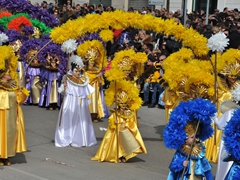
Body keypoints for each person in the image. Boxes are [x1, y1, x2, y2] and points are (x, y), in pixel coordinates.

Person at [91, 80, 147, 163]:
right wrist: (115, 123)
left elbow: (132, 123)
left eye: (125, 104)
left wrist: (126, 125)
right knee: (117, 143)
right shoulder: (115, 113)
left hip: (125, 131)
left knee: (125, 143)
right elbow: (111, 121)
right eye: (121, 104)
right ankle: (117, 155)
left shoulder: (129, 112)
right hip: (116, 132)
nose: (123, 106)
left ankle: (125, 155)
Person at [164, 98, 215, 180]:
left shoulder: (199, 152)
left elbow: (206, 167)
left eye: (196, 137)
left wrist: (209, 177)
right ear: (185, 139)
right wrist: (181, 164)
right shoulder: (181, 151)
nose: (195, 139)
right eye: (192, 137)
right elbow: (173, 167)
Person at [55, 55, 97, 147]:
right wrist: (64, 86)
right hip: (70, 104)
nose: (77, 73)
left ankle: (79, 139)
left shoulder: (83, 80)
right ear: (71, 69)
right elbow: (62, 92)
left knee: (80, 120)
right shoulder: (67, 78)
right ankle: (66, 136)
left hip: (80, 105)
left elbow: (85, 93)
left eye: (79, 71)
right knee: (69, 118)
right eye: (75, 71)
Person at [0, 45, 29, 166]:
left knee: (11, 133)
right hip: (1, 118)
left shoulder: (13, 85)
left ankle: (7, 156)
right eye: (7, 72)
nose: (10, 74)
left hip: (11, 118)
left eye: (9, 71)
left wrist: (21, 88)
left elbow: (20, 99)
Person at [214, 85, 240, 180]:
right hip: (232, 146)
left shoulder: (231, 112)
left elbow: (220, 125)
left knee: (226, 168)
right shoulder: (232, 112)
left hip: (229, 147)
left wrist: (214, 117)